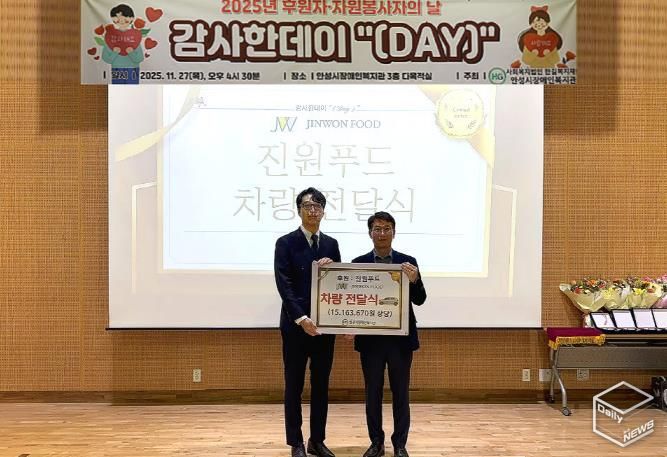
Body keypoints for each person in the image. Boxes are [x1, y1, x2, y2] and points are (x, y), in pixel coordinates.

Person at [352, 212, 426, 457]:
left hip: (400, 342)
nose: (382, 233)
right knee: (372, 393)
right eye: (377, 229)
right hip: (370, 342)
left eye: (386, 229)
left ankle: (400, 444)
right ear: (370, 233)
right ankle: (376, 443)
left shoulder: (408, 262)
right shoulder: (358, 263)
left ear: (394, 232)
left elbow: (420, 299)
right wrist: (347, 326)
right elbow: (350, 301)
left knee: (400, 393)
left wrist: (414, 280)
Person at [274, 187, 341, 457]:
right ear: (299, 210)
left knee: (321, 385)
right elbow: (284, 284)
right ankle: (296, 442)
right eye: (307, 206)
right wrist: (302, 318)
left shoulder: (331, 244)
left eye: (317, 206)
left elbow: (339, 285)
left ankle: (317, 440)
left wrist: (332, 267)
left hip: (325, 326)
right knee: (294, 385)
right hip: (295, 326)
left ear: (323, 211)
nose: (313, 211)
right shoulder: (285, 243)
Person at [102, 4, 144, 84]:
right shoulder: (110, 37)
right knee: (118, 88)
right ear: (113, 19)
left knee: (132, 89)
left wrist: (131, 52)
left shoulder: (134, 36)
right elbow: (105, 57)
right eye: (118, 20)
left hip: (132, 69)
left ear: (131, 19)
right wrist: (114, 53)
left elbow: (140, 58)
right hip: (117, 68)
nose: (121, 22)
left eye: (125, 20)